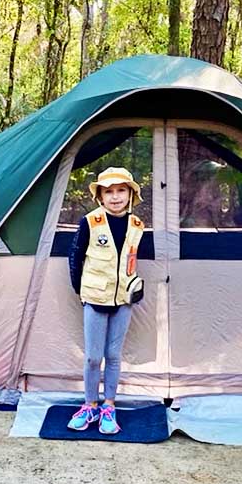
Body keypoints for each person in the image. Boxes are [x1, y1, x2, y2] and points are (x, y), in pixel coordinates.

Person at [66, 166, 145, 434]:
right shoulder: (90, 222)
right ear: (100, 196)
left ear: (130, 194)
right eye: (108, 191)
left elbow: (130, 260)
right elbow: (76, 257)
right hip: (95, 298)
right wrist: (82, 292)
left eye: (121, 190)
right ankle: (89, 404)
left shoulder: (137, 226)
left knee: (113, 355)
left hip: (124, 299)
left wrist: (135, 285)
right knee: (92, 357)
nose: (115, 197)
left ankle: (108, 406)